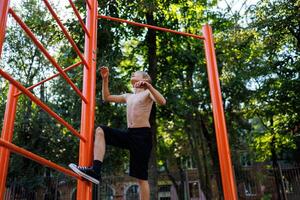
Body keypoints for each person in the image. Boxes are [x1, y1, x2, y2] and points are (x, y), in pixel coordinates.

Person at [69, 66, 166, 199]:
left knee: (141, 178)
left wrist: (149, 86)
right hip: (129, 134)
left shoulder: (147, 93)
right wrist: (105, 79)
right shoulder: (128, 96)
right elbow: (107, 97)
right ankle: (95, 171)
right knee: (101, 131)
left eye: (135, 73)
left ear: (145, 78)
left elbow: (162, 101)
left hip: (142, 137)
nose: (132, 73)